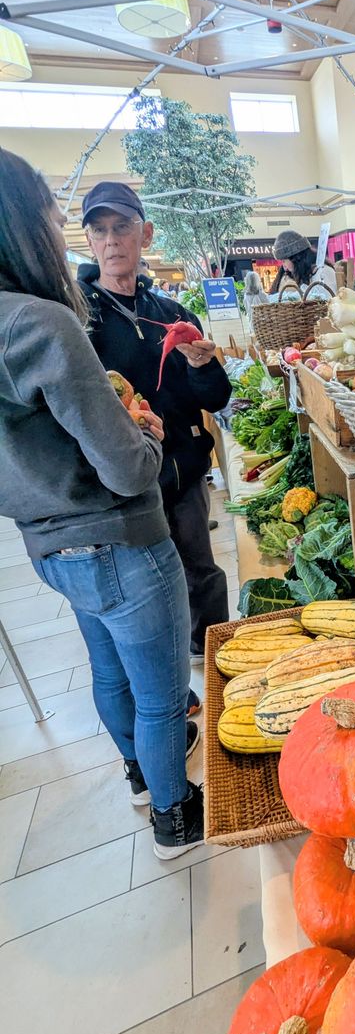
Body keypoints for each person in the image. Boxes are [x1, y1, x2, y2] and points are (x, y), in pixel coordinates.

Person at [0, 149, 203, 858]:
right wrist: (145, 436)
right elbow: (125, 467)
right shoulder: (47, 322)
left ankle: (140, 778)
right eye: (56, 220)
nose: (67, 237)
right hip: (121, 540)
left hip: (49, 543)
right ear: (25, 227)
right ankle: (174, 816)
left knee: (109, 670)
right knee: (162, 695)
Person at [78, 181, 232, 665]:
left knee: (201, 572)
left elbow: (216, 397)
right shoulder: (78, 320)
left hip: (183, 473)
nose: (111, 241)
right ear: (89, 240)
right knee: (145, 590)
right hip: (123, 487)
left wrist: (203, 366)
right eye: (99, 230)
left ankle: (214, 660)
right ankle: (165, 675)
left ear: (144, 234)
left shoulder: (174, 314)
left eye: (122, 227)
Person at [270, 230, 337, 299]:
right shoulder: (310, 276)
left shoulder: (323, 273)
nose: (285, 268)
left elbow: (329, 302)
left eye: (284, 261)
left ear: (296, 258)